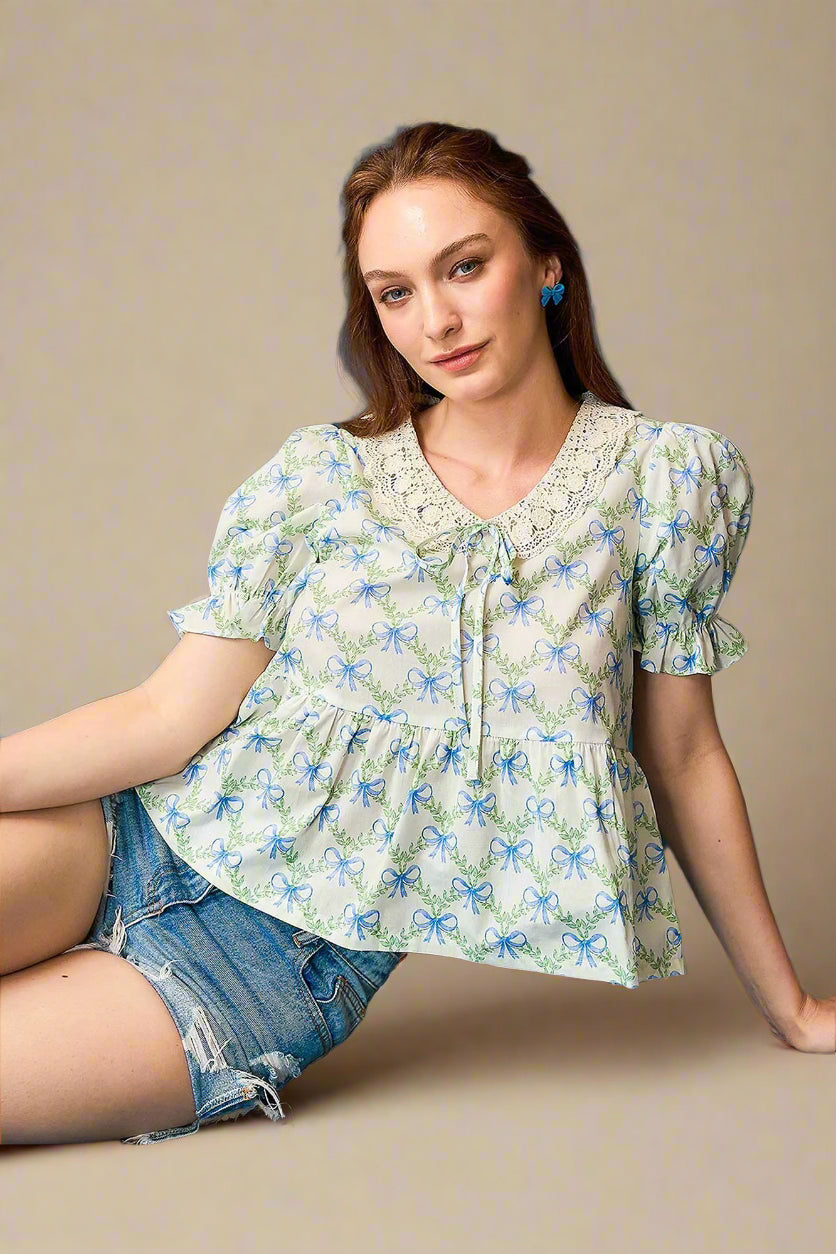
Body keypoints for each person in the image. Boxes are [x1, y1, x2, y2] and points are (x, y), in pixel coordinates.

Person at [2, 122, 833, 1149]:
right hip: (126, 836)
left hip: (267, 969)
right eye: (394, 292)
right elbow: (166, 716)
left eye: (464, 267)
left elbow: (684, 754)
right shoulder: (321, 478)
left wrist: (789, 1006)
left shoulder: (665, 484)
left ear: (547, 265)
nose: (434, 319)